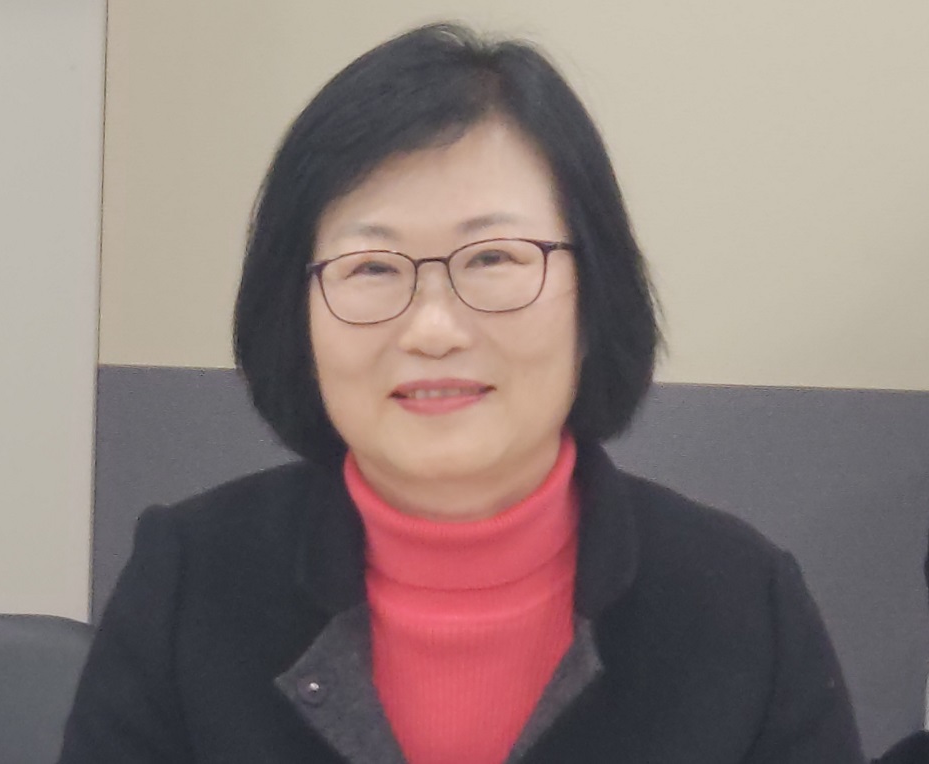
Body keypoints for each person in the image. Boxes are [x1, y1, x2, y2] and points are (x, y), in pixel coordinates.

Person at [59, 23, 865, 764]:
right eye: (372, 268)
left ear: (594, 294)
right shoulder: (191, 581)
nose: (433, 328)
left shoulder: (740, 602)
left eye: (493, 259)